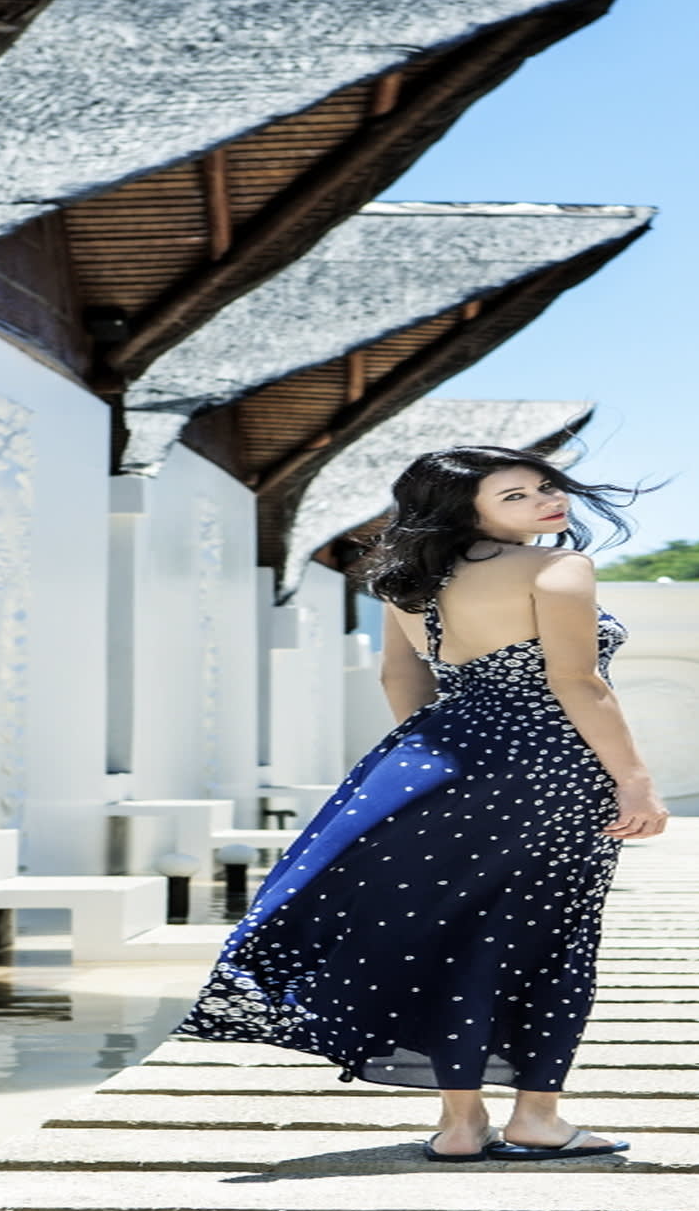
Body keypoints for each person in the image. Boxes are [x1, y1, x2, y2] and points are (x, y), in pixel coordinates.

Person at [173, 444, 669, 1163]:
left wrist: (440, 762)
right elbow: (578, 682)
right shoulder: (558, 567)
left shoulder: (405, 579)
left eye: (544, 487)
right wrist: (635, 780)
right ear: (464, 508)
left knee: (450, 935)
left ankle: (461, 1124)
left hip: (428, 762)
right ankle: (536, 1116)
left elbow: (398, 678)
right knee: (549, 935)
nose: (547, 501)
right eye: (516, 496)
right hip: (551, 767)